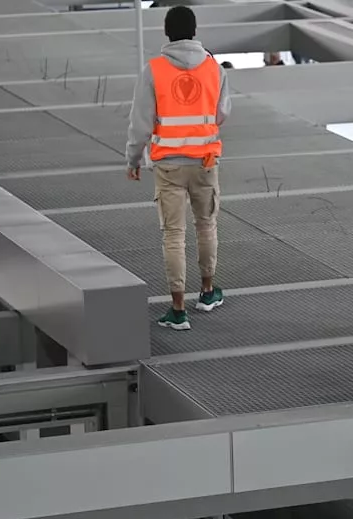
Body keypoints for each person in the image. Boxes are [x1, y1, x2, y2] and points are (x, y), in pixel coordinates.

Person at [126, 5, 231, 332]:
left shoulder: (153, 70)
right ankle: (207, 291)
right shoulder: (215, 69)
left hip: (168, 165)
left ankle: (177, 308)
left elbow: (140, 122)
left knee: (173, 234)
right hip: (205, 163)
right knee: (206, 225)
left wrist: (133, 159)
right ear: (195, 31)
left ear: (167, 33)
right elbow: (222, 113)